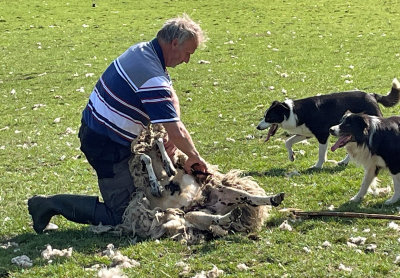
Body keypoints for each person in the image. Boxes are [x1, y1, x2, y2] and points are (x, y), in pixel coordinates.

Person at [28, 14, 208, 234]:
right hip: (105, 145)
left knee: (151, 195)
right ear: (173, 44)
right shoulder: (151, 74)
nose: (188, 60)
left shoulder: (144, 52)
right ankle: (46, 205)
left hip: (104, 133)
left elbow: (170, 94)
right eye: (188, 53)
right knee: (127, 215)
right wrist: (193, 156)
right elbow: (176, 127)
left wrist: (171, 139)